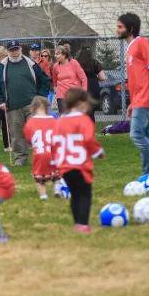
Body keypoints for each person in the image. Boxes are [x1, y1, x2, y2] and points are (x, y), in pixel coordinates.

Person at [117, 12, 149, 180]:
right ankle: (147, 177)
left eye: (120, 27)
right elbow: (137, 80)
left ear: (130, 28)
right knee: (145, 139)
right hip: (139, 100)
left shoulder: (142, 42)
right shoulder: (130, 48)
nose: (117, 30)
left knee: (136, 135)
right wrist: (132, 103)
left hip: (146, 99)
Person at [52, 87, 105, 233]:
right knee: (84, 195)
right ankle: (83, 224)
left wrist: (54, 162)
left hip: (65, 167)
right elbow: (89, 139)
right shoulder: (84, 120)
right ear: (81, 103)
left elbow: (54, 142)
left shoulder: (59, 121)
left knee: (75, 195)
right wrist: (98, 152)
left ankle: (77, 223)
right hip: (80, 166)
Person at [0, 40, 51, 168]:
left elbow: (45, 80)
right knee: (17, 135)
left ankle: (41, 157)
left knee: (36, 132)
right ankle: (20, 159)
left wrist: (40, 97)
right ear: (7, 51)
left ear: (20, 49)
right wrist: (0, 101)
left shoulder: (31, 64)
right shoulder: (1, 66)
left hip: (32, 105)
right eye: (11, 50)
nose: (14, 52)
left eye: (16, 49)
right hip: (12, 106)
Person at [23, 96, 57, 200]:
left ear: (33, 108)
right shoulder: (53, 120)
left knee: (39, 177)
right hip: (53, 153)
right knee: (56, 174)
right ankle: (57, 190)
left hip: (39, 154)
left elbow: (28, 138)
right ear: (47, 108)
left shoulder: (30, 122)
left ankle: (43, 195)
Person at [51, 45, 87, 114]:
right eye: (55, 54)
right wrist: (56, 89)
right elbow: (54, 80)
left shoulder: (74, 63)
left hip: (74, 95)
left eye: (57, 54)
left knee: (75, 117)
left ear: (64, 55)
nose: (55, 56)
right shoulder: (55, 66)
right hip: (61, 96)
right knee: (63, 117)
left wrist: (84, 92)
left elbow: (83, 78)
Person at [76, 45, 105, 123]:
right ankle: (91, 128)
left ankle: (82, 128)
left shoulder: (77, 63)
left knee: (82, 109)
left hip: (81, 86)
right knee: (91, 110)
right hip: (93, 85)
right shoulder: (95, 62)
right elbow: (103, 77)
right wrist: (95, 79)